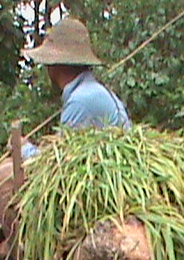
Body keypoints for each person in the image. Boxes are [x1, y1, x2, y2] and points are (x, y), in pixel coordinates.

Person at [17, 17, 131, 158]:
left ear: (54, 66)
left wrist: (23, 148)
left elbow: (56, 161)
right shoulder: (89, 91)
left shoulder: (81, 101)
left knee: (5, 173)